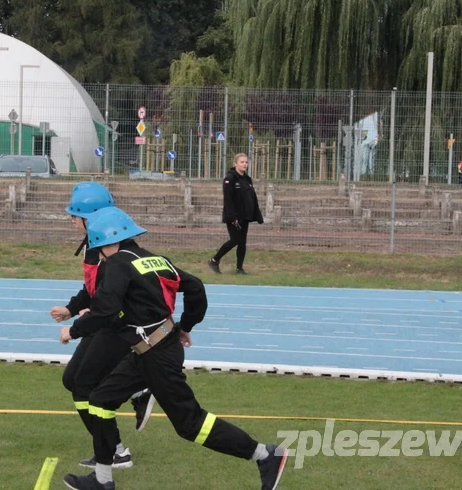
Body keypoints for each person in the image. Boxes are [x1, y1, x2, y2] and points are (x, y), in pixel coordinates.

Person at [60, 207, 288, 490]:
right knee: (101, 399)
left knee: (190, 424)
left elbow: (106, 310)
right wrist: (185, 326)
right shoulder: (156, 260)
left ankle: (265, 455)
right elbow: (196, 287)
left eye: (100, 249)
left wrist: (73, 330)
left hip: (157, 356)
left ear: (109, 241)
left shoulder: (118, 263)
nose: (101, 257)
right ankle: (102, 481)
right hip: (150, 349)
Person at [49, 182, 154, 470]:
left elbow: (111, 301)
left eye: (75, 214)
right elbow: (92, 290)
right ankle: (115, 448)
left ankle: (139, 389)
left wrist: (79, 322)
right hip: (101, 322)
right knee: (73, 381)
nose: (71, 219)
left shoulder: (113, 252)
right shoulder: (93, 246)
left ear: (93, 215)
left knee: (84, 384)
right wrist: (72, 309)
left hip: (115, 326)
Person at [208, 153, 263, 275]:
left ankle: (239, 269)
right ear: (235, 164)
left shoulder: (247, 180)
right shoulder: (230, 178)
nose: (244, 164)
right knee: (235, 240)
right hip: (233, 217)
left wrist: (256, 215)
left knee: (242, 242)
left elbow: (252, 198)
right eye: (242, 162)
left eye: (246, 162)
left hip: (245, 217)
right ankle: (214, 260)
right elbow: (228, 200)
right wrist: (233, 217)